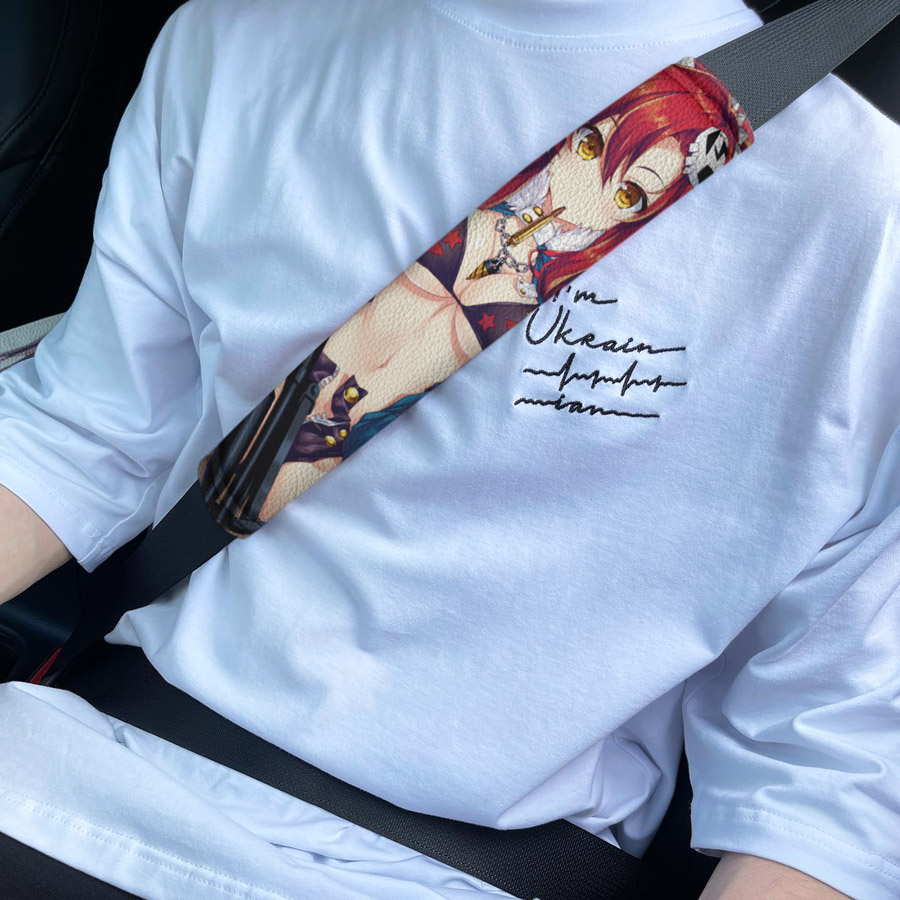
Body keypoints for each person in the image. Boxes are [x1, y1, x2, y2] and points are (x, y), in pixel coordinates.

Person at [0, 1, 897, 898]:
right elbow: (83, 431)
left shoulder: (867, 189)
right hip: (70, 770)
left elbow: (829, 775)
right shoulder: (240, 33)